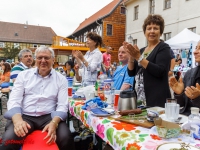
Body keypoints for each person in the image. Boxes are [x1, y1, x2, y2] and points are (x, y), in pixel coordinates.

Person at [1, 46, 75, 150]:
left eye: (46, 58)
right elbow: (14, 100)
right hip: (25, 115)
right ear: (36, 59)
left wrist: (54, 123)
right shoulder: (23, 75)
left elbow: (62, 105)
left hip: (49, 116)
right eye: (40, 58)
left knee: (66, 138)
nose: (43, 61)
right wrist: (18, 121)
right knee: (9, 141)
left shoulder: (61, 79)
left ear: (53, 60)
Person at [124, 14, 171, 107]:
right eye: (149, 28)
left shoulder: (163, 47)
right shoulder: (141, 50)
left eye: (156, 28)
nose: (152, 31)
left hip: (157, 100)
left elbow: (160, 71)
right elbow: (131, 73)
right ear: (145, 32)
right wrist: (131, 57)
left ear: (161, 32)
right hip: (140, 99)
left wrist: (139, 58)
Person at [169, 41, 200, 115]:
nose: (195, 52)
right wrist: (179, 93)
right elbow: (183, 105)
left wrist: (197, 98)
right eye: (196, 48)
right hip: (186, 119)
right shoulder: (190, 73)